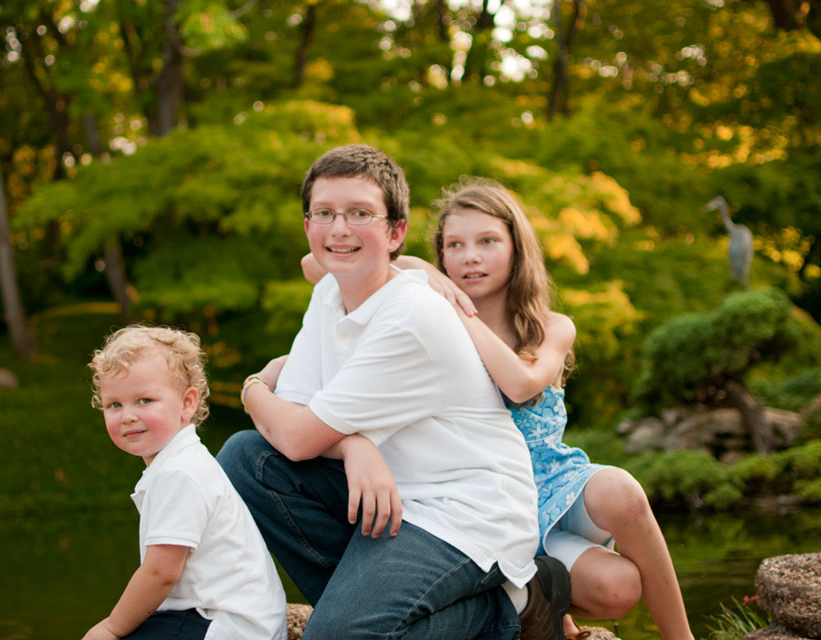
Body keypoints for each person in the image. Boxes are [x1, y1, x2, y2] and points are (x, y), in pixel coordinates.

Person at [304, 177, 694, 638]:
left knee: (621, 491)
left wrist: (455, 308)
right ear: (441, 255)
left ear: (516, 248)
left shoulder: (550, 326)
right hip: (470, 496)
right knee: (615, 585)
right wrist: (411, 266)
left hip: (548, 481)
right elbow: (315, 263)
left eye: (488, 241)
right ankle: (532, 603)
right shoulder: (421, 309)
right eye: (454, 245)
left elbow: (521, 383)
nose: (470, 256)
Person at [217, 144, 571, 640]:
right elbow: (293, 415)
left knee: (336, 637)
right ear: (308, 227)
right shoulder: (329, 293)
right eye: (324, 213)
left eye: (360, 213)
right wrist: (353, 443)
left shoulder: (411, 316)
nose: (339, 229)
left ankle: (510, 609)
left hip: (466, 512)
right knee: (247, 457)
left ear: (396, 232)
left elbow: (297, 435)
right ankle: (368, 608)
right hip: (394, 496)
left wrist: (251, 388)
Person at [84, 325, 288, 640]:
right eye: (115, 405)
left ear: (187, 403)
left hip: (225, 622)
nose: (127, 416)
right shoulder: (179, 462)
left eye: (144, 400)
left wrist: (111, 627)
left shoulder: (179, 472)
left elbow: (160, 573)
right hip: (215, 616)